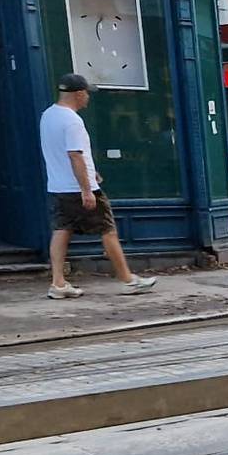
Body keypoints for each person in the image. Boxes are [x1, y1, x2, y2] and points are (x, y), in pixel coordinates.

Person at [43, 73, 155, 301]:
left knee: (61, 229)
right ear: (79, 93)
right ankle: (128, 280)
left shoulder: (48, 115)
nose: (88, 99)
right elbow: (74, 155)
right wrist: (87, 188)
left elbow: (64, 154)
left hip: (59, 185)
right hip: (79, 187)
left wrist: (90, 171)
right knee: (108, 229)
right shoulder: (73, 121)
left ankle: (58, 282)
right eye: (86, 94)